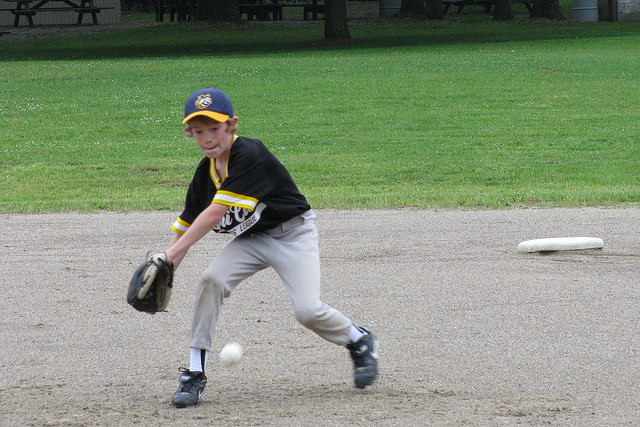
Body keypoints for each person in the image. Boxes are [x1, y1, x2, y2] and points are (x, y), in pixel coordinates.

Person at [162, 88, 378, 408]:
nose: (207, 138)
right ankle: (194, 372)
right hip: (253, 241)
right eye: (198, 131)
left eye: (214, 128)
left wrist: (168, 257)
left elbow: (214, 214)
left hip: (293, 234)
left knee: (308, 311)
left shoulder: (250, 155)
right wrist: (167, 268)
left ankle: (358, 339)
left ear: (232, 124)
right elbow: (186, 225)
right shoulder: (204, 174)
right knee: (212, 280)